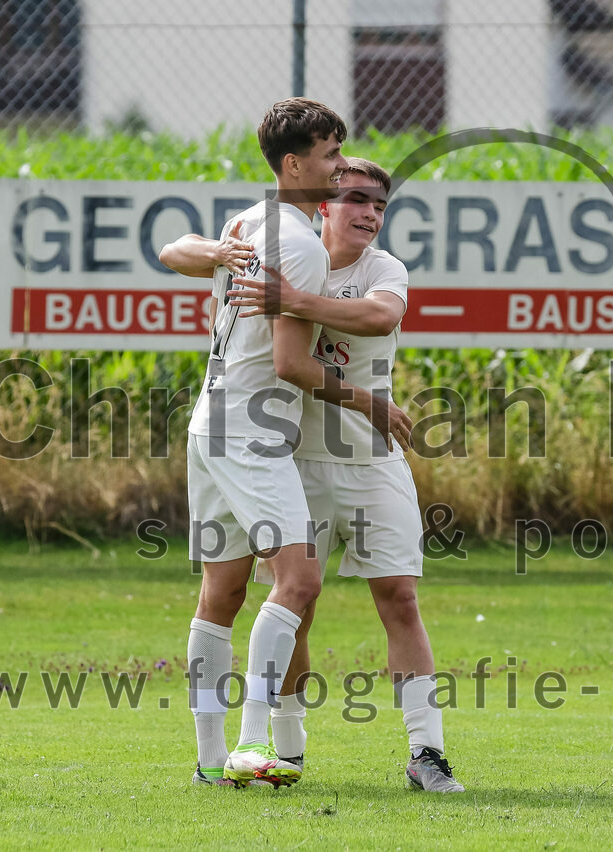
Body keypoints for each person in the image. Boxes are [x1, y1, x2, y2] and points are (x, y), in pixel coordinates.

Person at [163, 157, 464, 793]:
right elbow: (177, 250)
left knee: (401, 597)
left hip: (372, 459)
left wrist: (293, 301)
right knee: (297, 599)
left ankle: (427, 753)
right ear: (325, 202)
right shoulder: (290, 251)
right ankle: (286, 748)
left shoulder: (382, 270)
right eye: (356, 199)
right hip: (295, 459)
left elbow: (380, 317)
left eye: (380, 205)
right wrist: (218, 252)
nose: (370, 214)